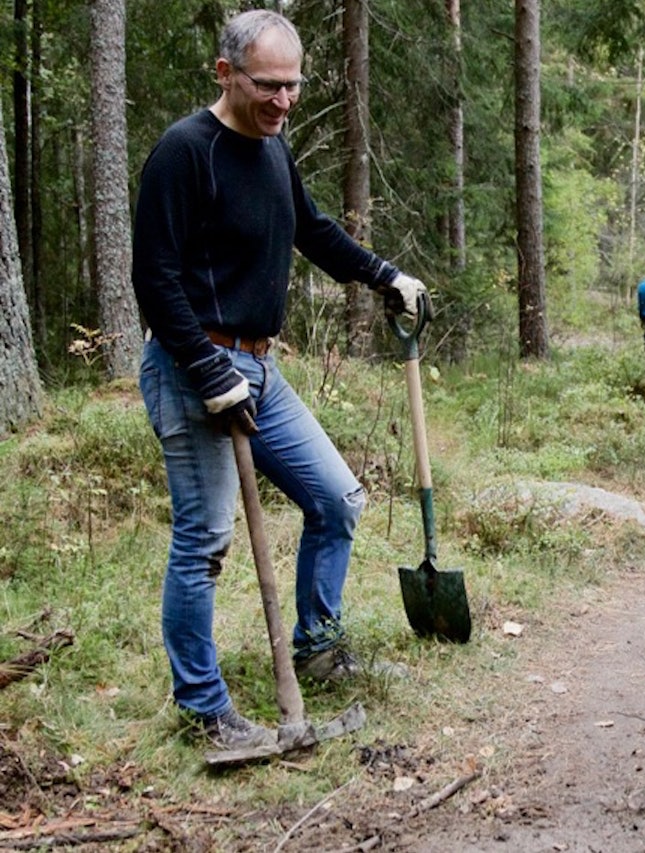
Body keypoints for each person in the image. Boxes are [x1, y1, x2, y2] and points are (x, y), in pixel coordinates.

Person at [131, 9, 426, 751]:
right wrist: (207, 370)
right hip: (193, 364)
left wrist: (384, 275)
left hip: (260, 366)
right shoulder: (183, 152)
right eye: (269, 85)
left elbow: (312, 228)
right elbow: (155, 280)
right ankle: (206, 710)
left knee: (336, 498)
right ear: (225, 72)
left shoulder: (273, 148)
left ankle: (318, 645)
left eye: (294, 85)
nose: (284, 101)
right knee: (204, 539)